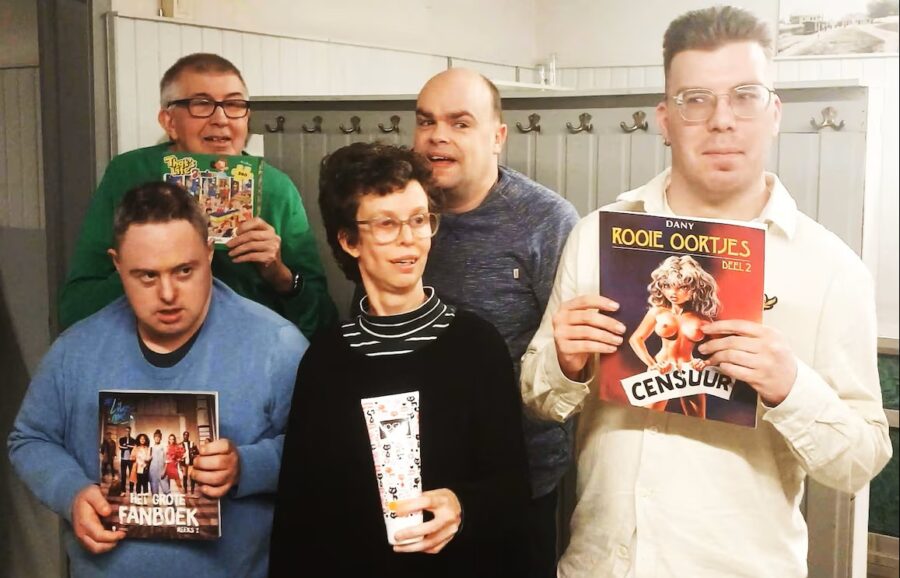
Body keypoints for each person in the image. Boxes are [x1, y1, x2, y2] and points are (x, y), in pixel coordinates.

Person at [520, 6, 892, 577]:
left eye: (745, 96)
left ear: (773, 113)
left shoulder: (831, 269)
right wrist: (565, 364)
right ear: (665, 119)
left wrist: (792, 387)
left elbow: (859, 463)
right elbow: (539, 399)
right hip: (599, 565)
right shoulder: (595, 237)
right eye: (695, 99)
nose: (722, 120)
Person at [8, 181, 307, 577]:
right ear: (117, 265)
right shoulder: (75, 350)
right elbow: (30, 438)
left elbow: (319, 455)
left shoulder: (277, 345)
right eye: (147, 276)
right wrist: (72, 493)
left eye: (184, 271)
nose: (168, 293)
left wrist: (245, 466)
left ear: (209, 253)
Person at [270, 143, 530, 577]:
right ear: (349, 240)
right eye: (387, 224)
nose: (409, 238)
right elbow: (301, 511)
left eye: (419, 220)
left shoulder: (476, 346)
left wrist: (461, 506)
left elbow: (512, 488)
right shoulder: (326, 360)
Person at [414, 67, 580, 577]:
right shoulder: (399, 206)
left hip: (516, 481)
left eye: (460, 123)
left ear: (497, 137)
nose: (437, 136)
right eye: (426, 121)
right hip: (415, 473)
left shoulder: (546, 221)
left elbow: (568, 363)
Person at [58, 52, 336, 340]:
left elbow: (322, 323)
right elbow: (75, 308)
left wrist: (280, 276)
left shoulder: (276, 190)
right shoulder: (130, 174)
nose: (221, 119)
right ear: (169, 122)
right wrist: (146, 265)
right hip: (143, 349)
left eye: (234, 104)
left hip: (248, 349)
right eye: (201, 104)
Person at [627, 255, 720, 417]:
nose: (673, 293)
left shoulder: (703, 319)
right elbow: (636, 339)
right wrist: (652, 364)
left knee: (697, 424)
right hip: (662, 370)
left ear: (694, 289)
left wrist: (706, 363)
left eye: (681, 287)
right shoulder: (657, 312)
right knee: (647, 420)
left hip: (690, 372)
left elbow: (721, 349)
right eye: (668, 286)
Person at [148, 429, 169, 495]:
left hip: (161, 470)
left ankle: (170, 502)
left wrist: (164, 471)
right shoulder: (151, 447)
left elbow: (166, 461)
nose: (157, 438)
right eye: (155, 437)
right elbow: (148, 459)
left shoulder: (164, 447)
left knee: (166, 490)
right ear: (154, 438)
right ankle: (155, 502)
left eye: (158, 437)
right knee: (154, 491)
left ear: (161, 438)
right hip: (152, 471)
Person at [118, 426, 136, 492]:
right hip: (123, 459)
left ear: (130, 431)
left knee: (131, 475)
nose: (127, 432)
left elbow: (134, 447)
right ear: (125, 431)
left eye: (128, 431)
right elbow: (120, 447)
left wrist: (127, 446)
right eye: (126, 431)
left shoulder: (133, 440)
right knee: (123, 475)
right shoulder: (121, 439)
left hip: (130, 460)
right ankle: (123, 490)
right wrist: (128, 447)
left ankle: (131, 490)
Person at [181, 430, 198, 496]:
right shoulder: (180, 444)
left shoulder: (192, 443)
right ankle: (185, 490)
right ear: (183, 436)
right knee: (184, 476)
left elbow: (197, 452)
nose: (186, 436)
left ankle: (192, 491)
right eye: (185, 435)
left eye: (187, 435)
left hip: (191, 462)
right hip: (183, 462)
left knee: (191, 476)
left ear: (188, 436)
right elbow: (178, 455)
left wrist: (193, 454)